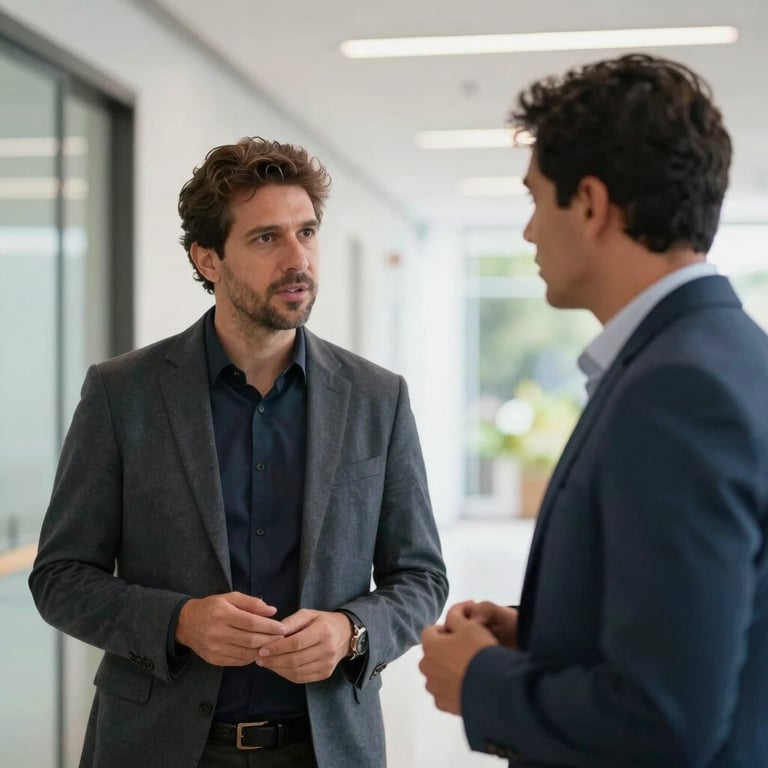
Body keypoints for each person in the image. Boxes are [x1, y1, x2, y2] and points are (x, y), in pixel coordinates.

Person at [30, 137, 448, 768]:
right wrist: (178, 621)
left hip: (326, 746)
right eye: (266, 239)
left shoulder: (376, 397)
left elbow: (420, 577)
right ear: (208, 260)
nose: (297, 258)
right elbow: (61, 577)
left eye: (306, 232)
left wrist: (352, 631)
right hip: (158, 747)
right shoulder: (124, 393)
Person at [419, 53, 768, 767]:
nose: (527, 234)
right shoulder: (720, 353)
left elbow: (664, 718)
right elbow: (705, 632)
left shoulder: (677, 393)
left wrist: (481, 679)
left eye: (534, 199)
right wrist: (540, 637)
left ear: (590, 203)